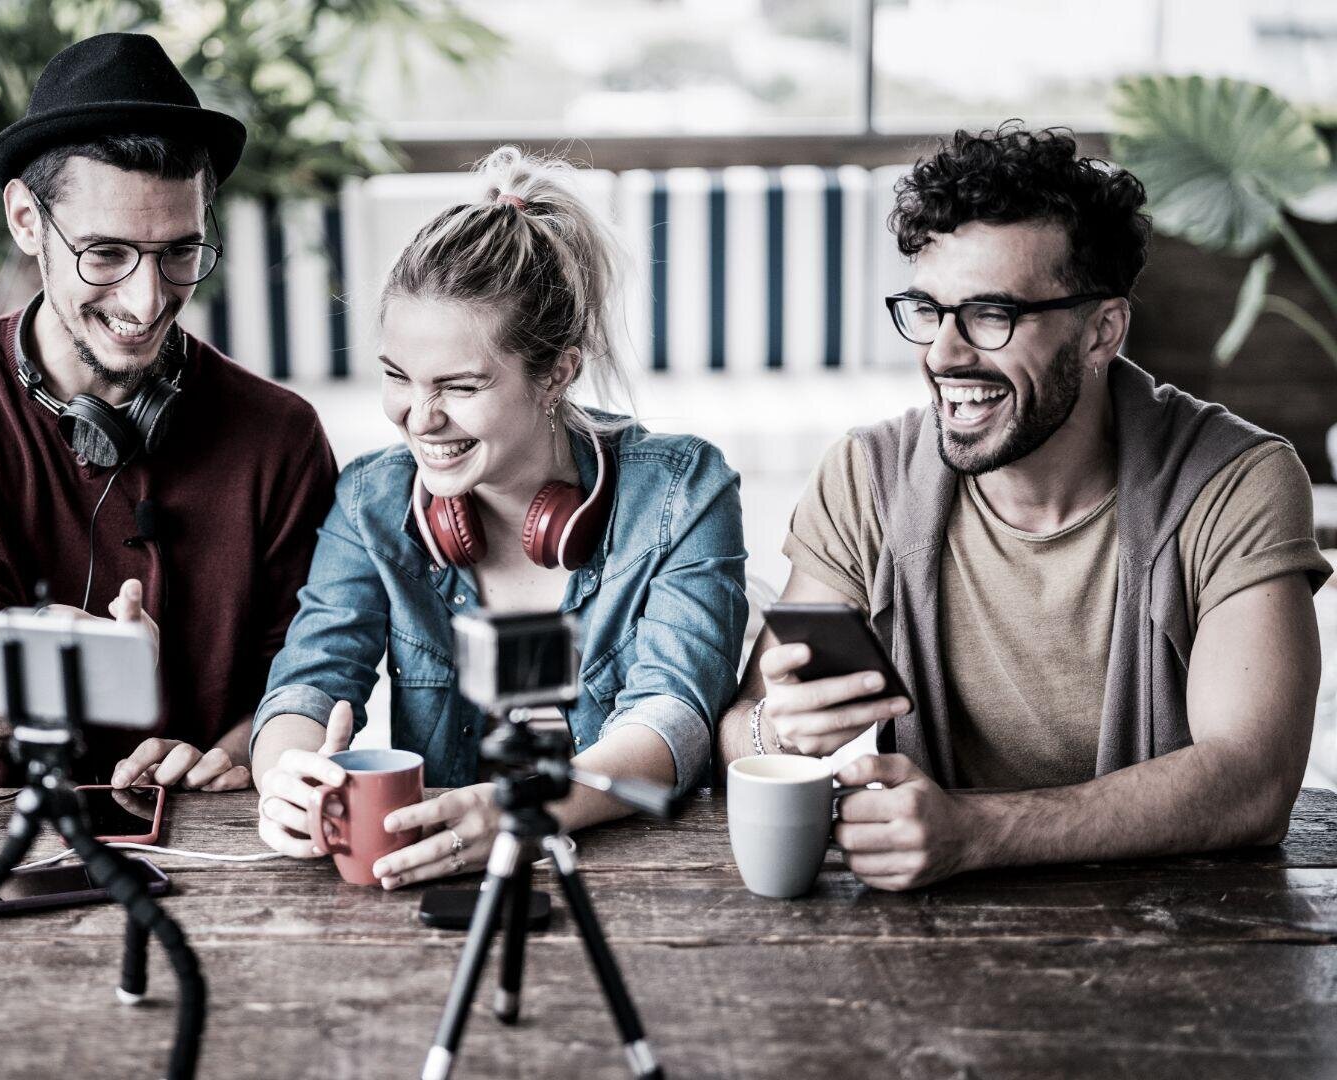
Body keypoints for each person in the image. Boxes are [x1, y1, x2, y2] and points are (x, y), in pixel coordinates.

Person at [721, 124, 1330, 890]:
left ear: (1102, 331)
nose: (943, 355)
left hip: (1179, 919)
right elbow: (739, 731)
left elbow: (1253, 783)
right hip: (933, 927)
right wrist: (776, 731)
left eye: (991, 314)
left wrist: (976, 832)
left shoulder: (1235, 482)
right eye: (929, 310)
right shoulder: (866, 476)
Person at [250, 147, 749, 889]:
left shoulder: (683, 490)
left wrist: (525, 810)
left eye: (459, 386)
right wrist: (285, 777)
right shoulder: (370, 499)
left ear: (557, 373)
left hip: (637, 879)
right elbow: (308, 683)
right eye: (397, 377)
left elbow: (673, 718)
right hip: (429, 880)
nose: (420, 417)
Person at [0, 32, 337, 789]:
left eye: (180, 253)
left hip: (208, 832)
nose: (146, 301)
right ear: (26, 219)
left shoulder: (282, 435)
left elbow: (304, 668)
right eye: (105, 254)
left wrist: (238, 755)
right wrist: (56, 666)